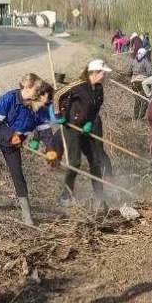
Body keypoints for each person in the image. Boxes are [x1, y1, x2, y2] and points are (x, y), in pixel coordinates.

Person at [0, 74, 55, 226]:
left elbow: (45, 133)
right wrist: (12, 135)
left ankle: (27, 216)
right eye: (38, 91)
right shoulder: (8, 98)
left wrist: (51, 151)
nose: (40, 96)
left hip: (12, 144)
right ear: (27, 86)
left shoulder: (37, 108)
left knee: (18, 175)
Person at [56, 59, 110, 207]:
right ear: (94, 72)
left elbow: (96, 109)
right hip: (72, 127)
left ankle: (100, 197)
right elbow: (57, 95)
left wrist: (89, 123)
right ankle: (65, 196)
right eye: (103, 73)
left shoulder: (98, 89)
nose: (105, 76)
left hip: (85, 128)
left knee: (95, 161)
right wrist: (59, 115)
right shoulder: (78, 85)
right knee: (75, 162)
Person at [128, 46, 152, 120]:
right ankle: (140, 118)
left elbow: (128, 71)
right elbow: (150, 73)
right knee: (145, 100)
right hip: (142, 83)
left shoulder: (132, 60)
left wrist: (133, 75)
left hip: (133, 83)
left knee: (137, 99)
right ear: (144, 55)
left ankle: (135, 117)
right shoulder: (146, 61)